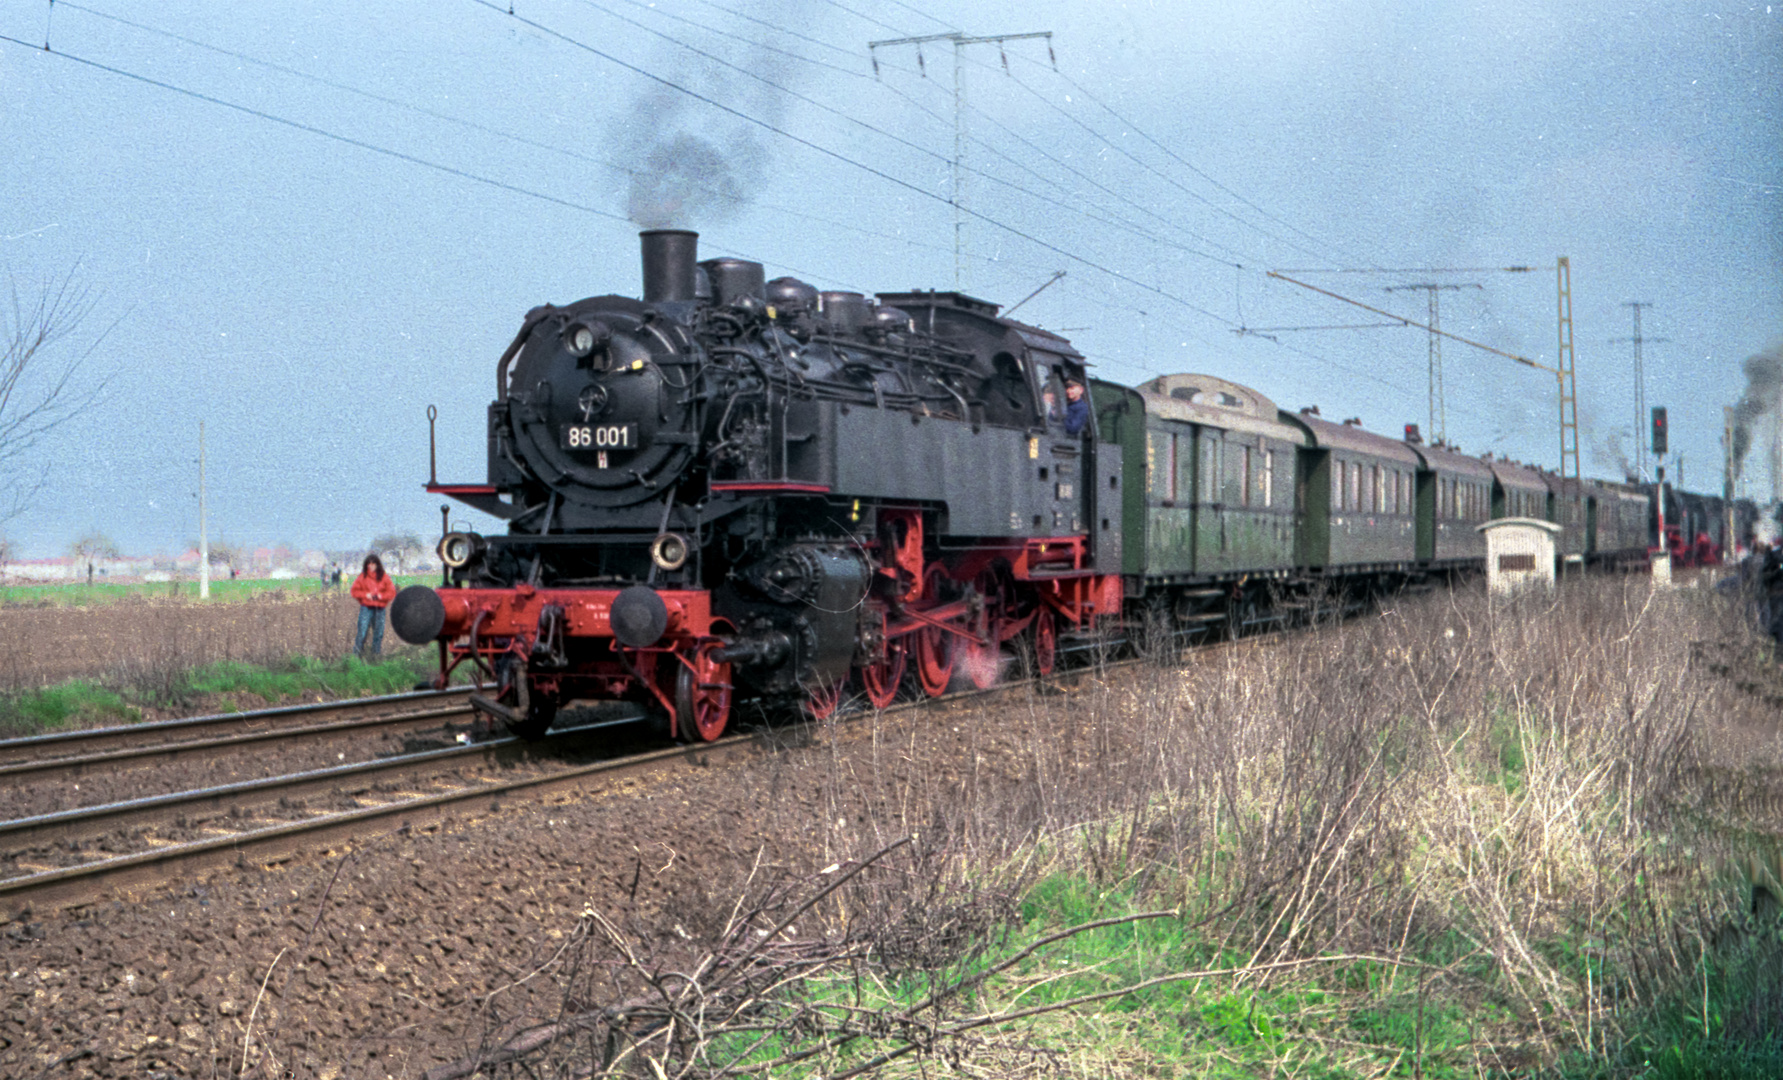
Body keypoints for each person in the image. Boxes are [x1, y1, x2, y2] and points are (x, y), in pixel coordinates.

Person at [351, 554, 398, 658]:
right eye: (369, 564)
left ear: (377, 565)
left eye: (373, 564)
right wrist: (365, 595)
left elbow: (392, 592)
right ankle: (356, 656)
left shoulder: (384, 577)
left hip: (380, 609)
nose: (370, 566)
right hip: (366, 608)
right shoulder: (362, 577)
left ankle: (375, 656)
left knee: (378, 633)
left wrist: (381, 596)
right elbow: (354, 591)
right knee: (362, 632)